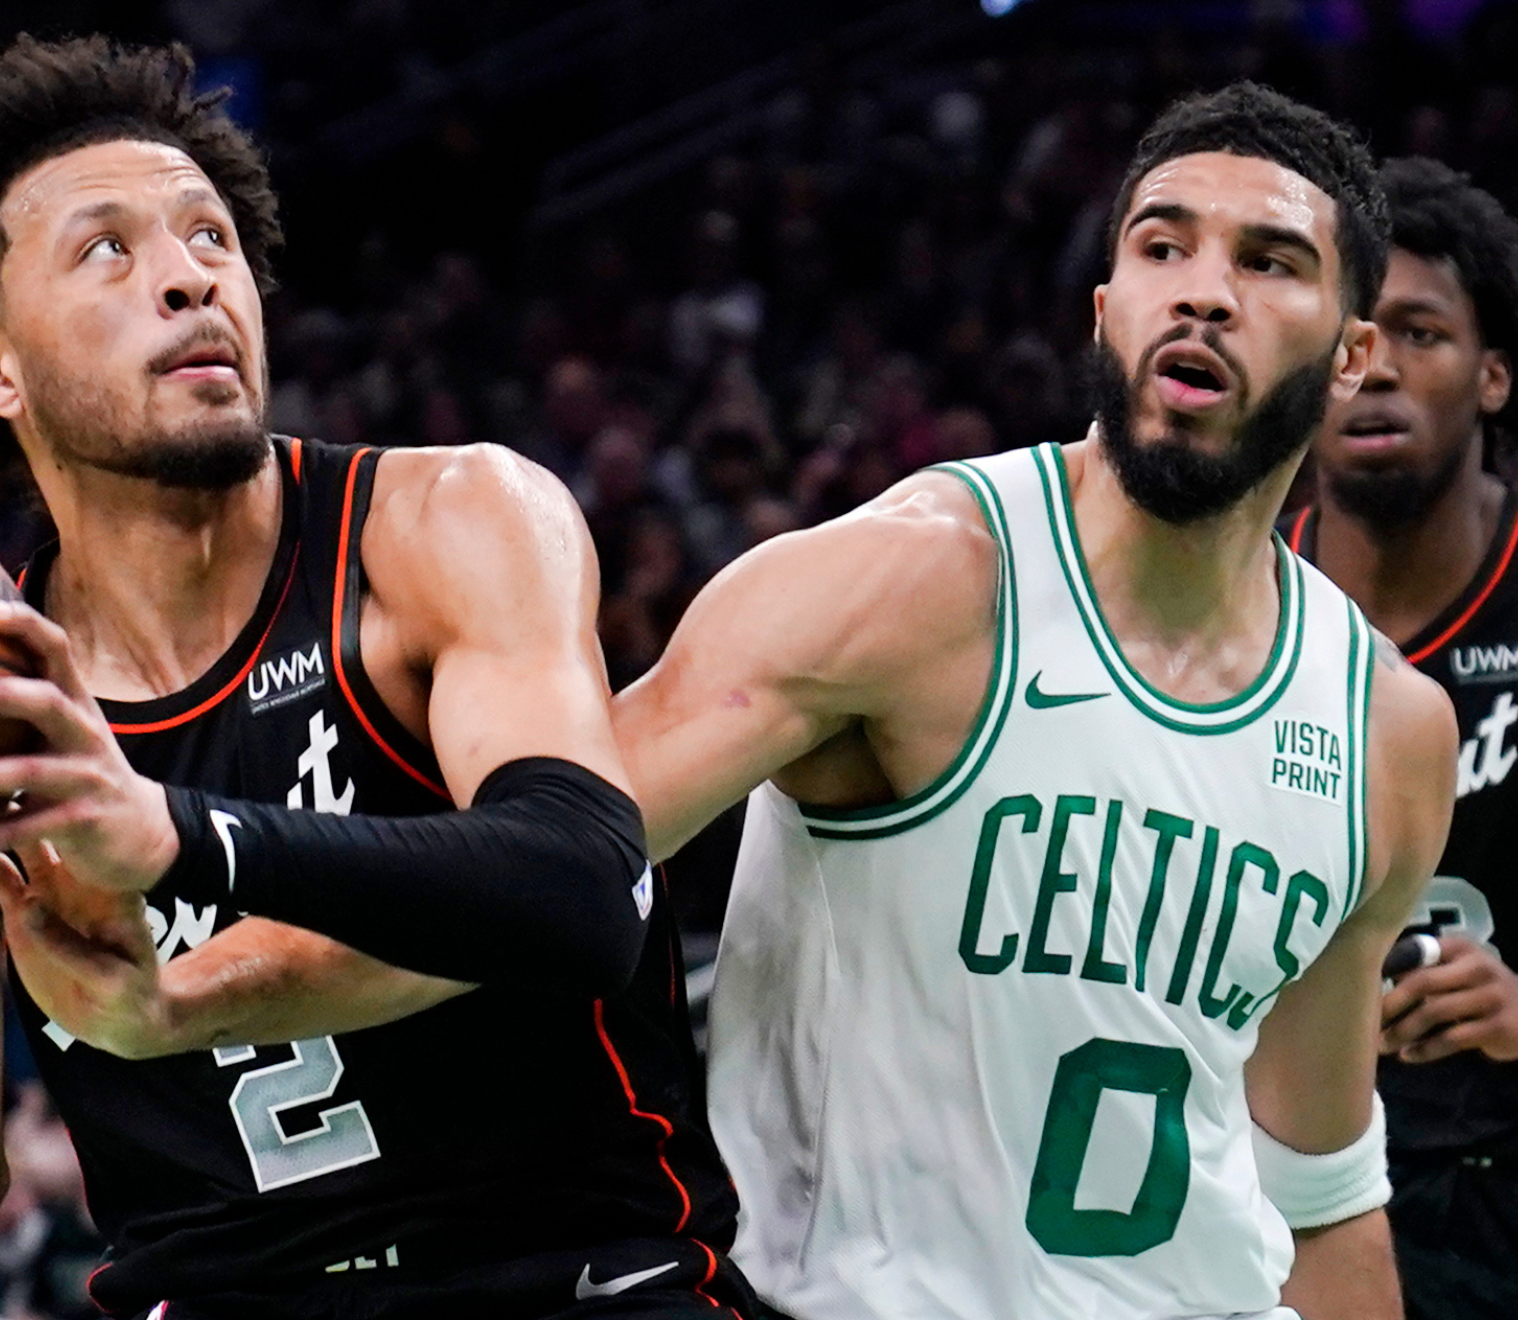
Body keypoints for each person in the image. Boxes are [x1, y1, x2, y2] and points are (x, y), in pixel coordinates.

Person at [0, 34, 745, 1320]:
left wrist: (177, 839)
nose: (190, 281)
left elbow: (586, 887)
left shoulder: (441, 522)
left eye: (212, 239)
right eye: (110, 248)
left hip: (566, 1279)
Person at [613, 83, 1457, 1319]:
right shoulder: (908, 583)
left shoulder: (1386, 728)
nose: (1204, 289)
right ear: (1107, 311)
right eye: (1163, 246)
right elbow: (531, 863)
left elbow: (1320, 1194)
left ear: (1350, 359)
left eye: (1270, 262)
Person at [1288, 155, 1518, 1320]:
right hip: (1269, 1182)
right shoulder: (1220, 605)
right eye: (1351, 337)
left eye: (1419, 334)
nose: (1375, 370)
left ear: (1493, 377)